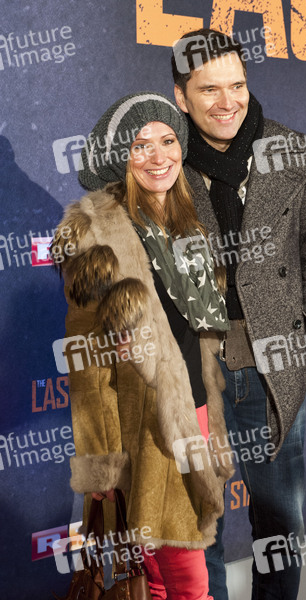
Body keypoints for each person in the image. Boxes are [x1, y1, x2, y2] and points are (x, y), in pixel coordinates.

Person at [171, 29, 306, 600]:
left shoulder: (290, 150)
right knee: (202, 531)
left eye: (237, 85)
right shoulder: (163, 160)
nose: (228, 102)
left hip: (274, 368)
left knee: (280, 528)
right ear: (180, 96)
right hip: (195, 374)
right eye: (209, 89)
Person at [51, 91, 235, 600]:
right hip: (147, 431)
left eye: (168, 140)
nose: (159, 156)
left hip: (197, 413)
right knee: (188, 584)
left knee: (161, 582)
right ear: (120, 157)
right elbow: (89, 369)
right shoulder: (95, 236)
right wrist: (104, 463)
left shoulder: (185, 221)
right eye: (141, 145)